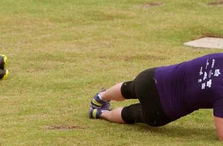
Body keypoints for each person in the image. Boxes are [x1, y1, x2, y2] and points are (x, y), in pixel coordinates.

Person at [88, 53, 223, 140]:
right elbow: (221, 134)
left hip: (152, 78)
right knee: (130, 114)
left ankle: (101, 97)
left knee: (128, 88)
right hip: (160, 111)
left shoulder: (219, 57)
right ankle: (100, 114)